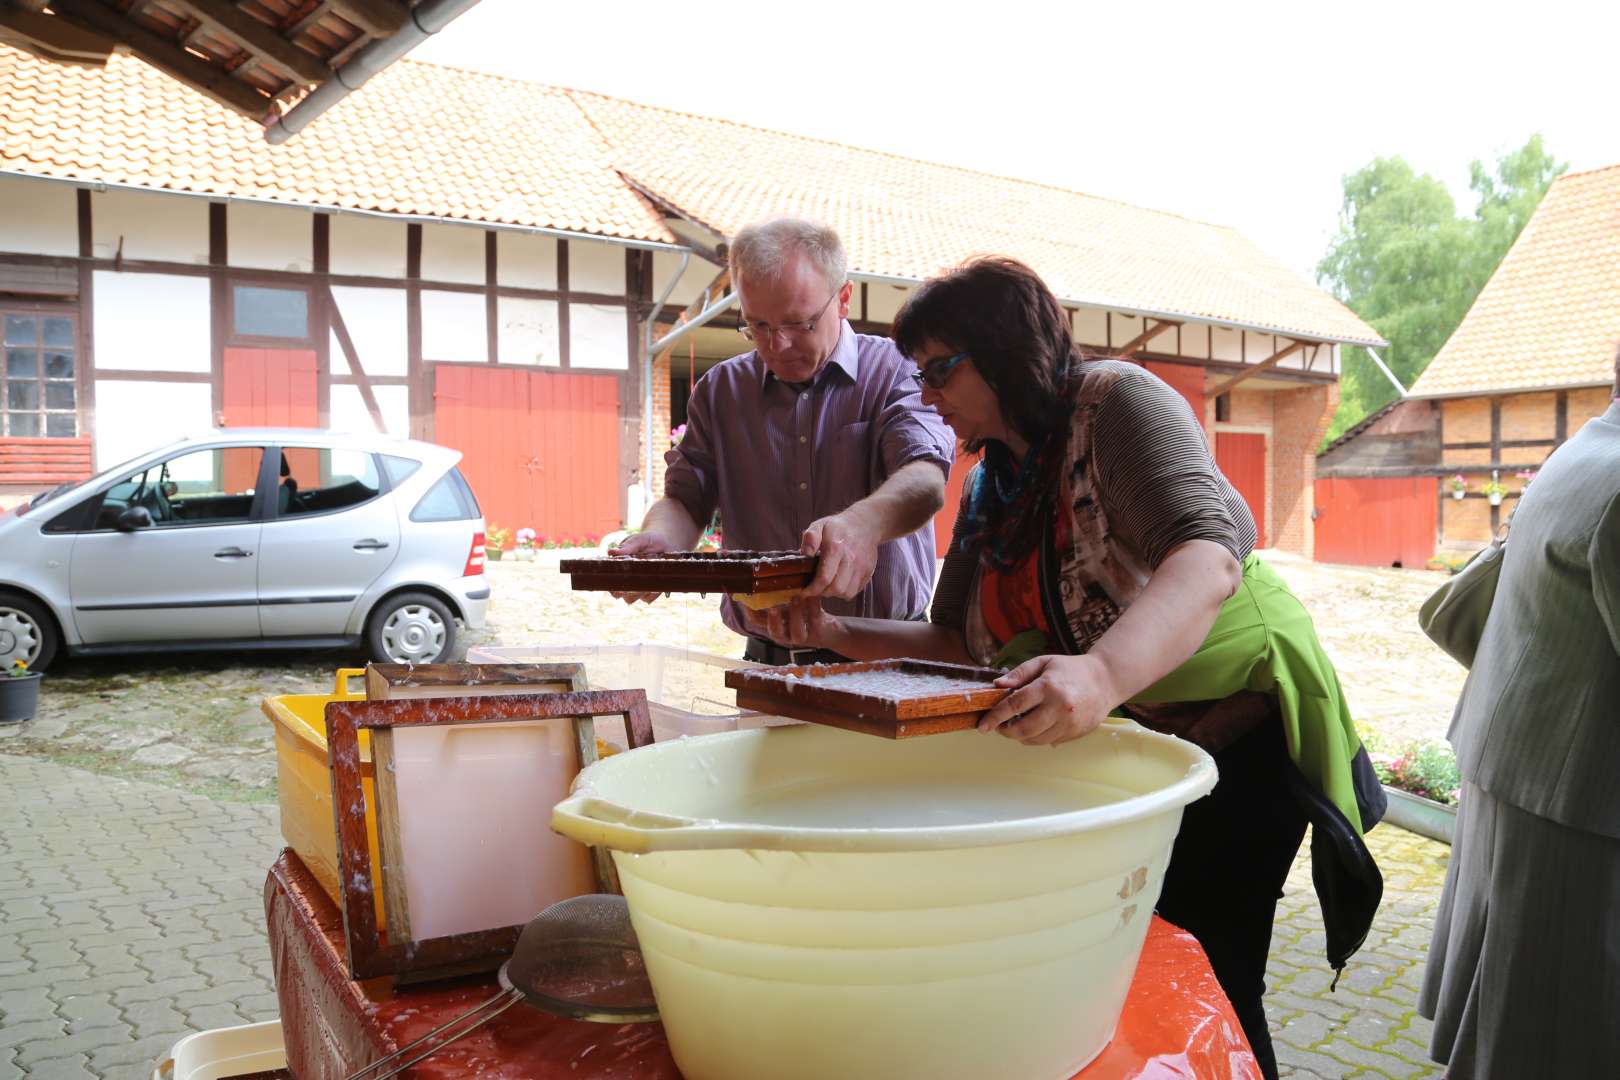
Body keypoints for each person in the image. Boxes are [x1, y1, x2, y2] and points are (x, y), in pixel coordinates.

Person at [753, 256, 1386, 1079]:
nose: (928, 395)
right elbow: (958, 645)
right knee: (1132, 961)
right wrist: (834, 632)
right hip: (1144, 737)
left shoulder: (1116, 403)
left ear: (1006, 349)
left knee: (1211, 973)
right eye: (920, 376)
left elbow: (1207, 558)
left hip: (1244, 730)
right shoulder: (995, 485)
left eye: (940, 370)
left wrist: (1100, 676)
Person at [616, 218, 956, 664]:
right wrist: (662, 538)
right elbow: (685, 498)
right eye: (758, 326)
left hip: (885, 654)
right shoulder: (721, 390)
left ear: (843, 300)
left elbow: (925, 479)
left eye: (799, 323)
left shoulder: (896, 369)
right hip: (765, 656)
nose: (778, 345)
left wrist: (861, 525)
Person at [1417, 346, 1620, 1078]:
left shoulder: (1588, 447)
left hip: (1525, 771)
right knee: (1551, 1033)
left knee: (1515, 1018)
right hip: (1574, 802)